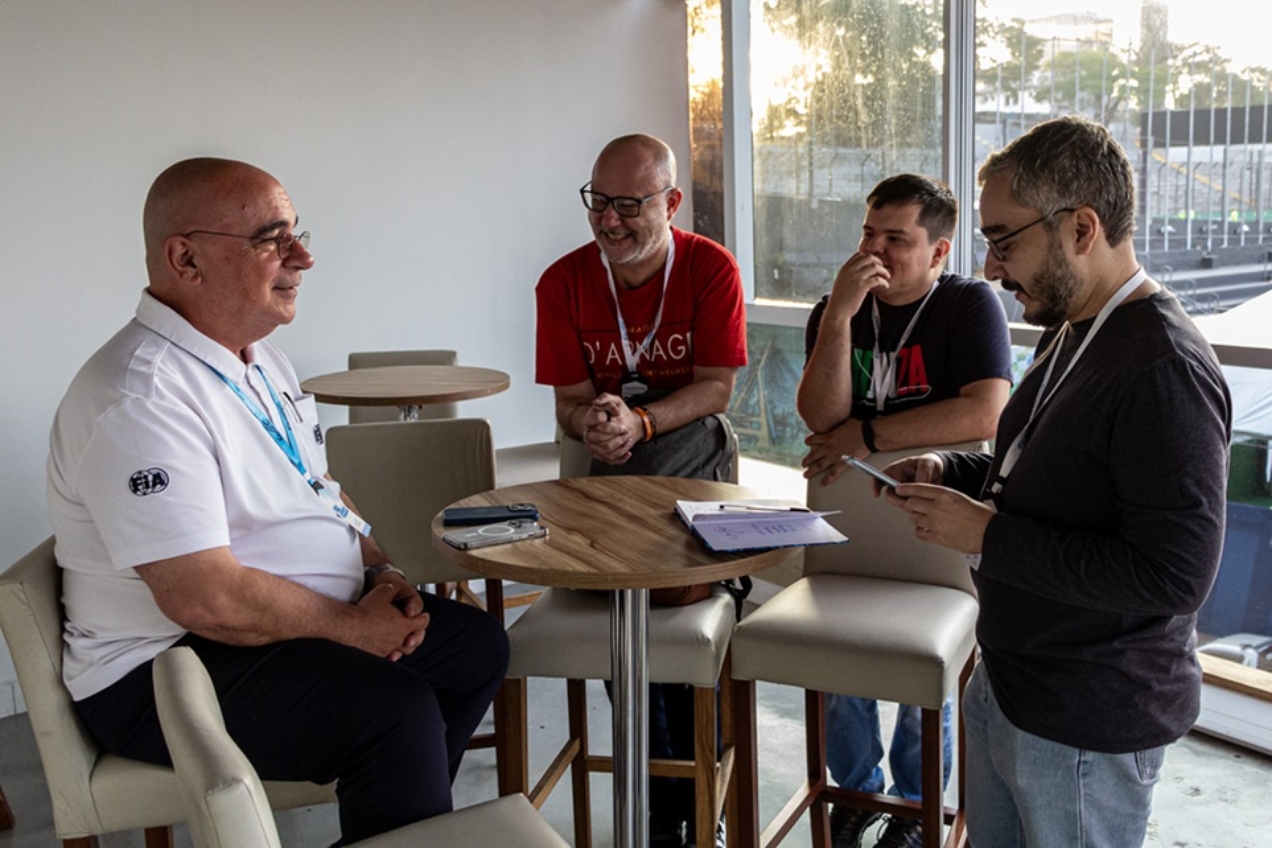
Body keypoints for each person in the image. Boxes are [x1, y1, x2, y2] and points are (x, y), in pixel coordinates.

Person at [46, 158, 509, 846]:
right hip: (165, 667)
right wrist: (356, 630)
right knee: (395, 709)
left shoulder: (259, 357)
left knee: (472, 647)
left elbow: (322, 491)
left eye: (297, 233)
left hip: (263, 631)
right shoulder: (140, 396)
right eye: (272, 239)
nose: (304, 257)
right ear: (187, 259)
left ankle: (404, 822)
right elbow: (203, 598)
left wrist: (380, 572)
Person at [882, 116, 1231, 847]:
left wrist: (987, 536)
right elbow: (1039, 477)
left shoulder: (1164, 369)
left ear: (1081, 228)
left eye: (1005, 241)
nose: (988, 268)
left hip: (1084, 717)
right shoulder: (1073, 328)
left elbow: (1172, 577)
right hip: (1012, 682)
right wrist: (953, 470)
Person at [535, 134, 747, 845]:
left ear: (672, 202)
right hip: (606, 475)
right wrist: (593, 420)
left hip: (689, 464)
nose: (610, 220)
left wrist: (644, 420)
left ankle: (690, 802)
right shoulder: (561, 282)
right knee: (624, 616)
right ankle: (665, 806)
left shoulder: (710, 269)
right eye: (600, 202)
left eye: (630, 204)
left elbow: (717, 388)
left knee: (666, 603)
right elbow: (566, 401)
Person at [797, 173, 1012, 848]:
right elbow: (818, 413)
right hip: (848, 513)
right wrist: (839, 315)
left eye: (897, 239)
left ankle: (916, 807)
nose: (877, 251)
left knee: (927, 677)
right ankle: (857, 789)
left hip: (935, 507)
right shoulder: (839, 304)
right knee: (839, 656)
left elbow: (985, 410)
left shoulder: (970, 304)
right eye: (869, 233)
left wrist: (869, 433)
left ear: (939, 251)